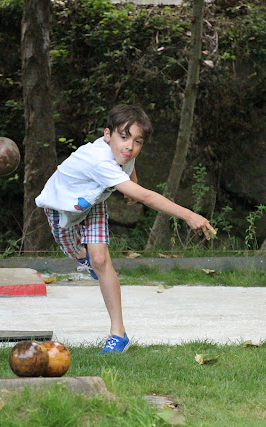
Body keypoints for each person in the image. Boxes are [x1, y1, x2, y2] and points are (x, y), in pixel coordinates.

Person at [36, 104, 216, 353]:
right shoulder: (99, 162)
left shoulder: (125, 154)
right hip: (61, 208)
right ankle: (83, 257)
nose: (130, 147)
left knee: (101, 260)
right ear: (107, 135)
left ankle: (118, 334)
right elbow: (148, 198)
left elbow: (130, 167)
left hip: (93, 204)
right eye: (123, 137)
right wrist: (188, 215)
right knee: (80, 254)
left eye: (137, 141)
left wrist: (133, 182)